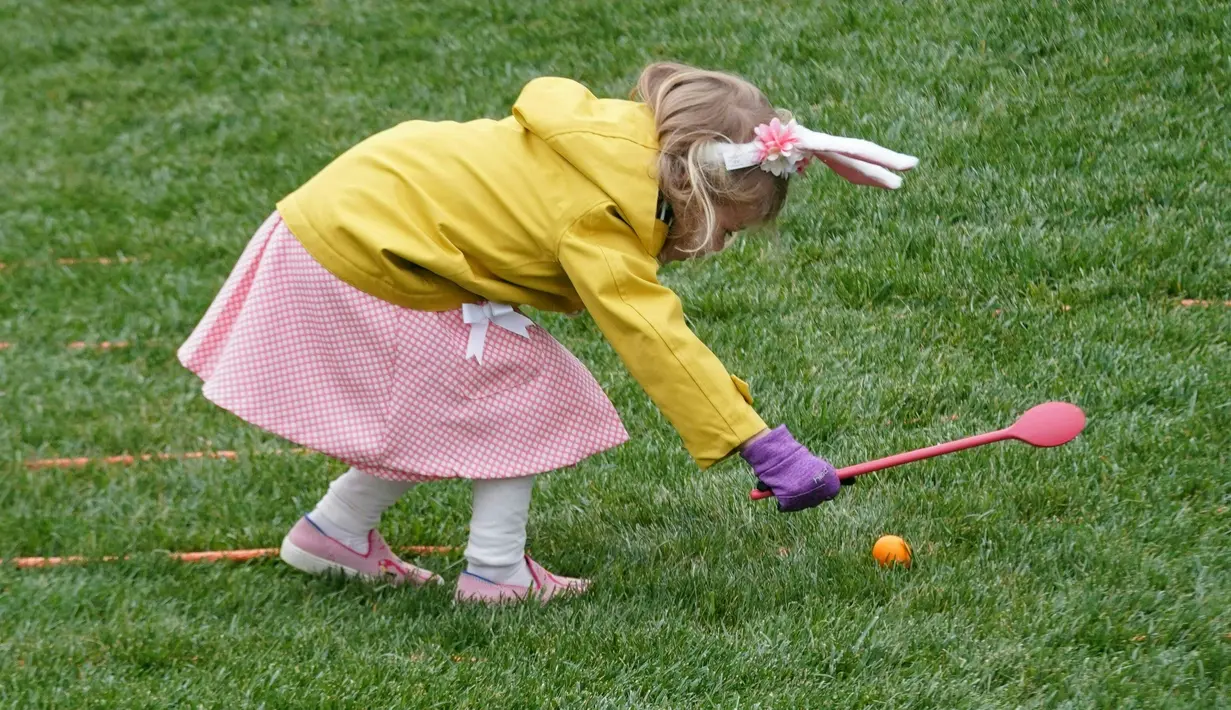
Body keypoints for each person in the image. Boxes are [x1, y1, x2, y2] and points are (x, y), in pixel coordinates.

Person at [178, 62, 917, 604]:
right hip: (359, 248)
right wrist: (762, 444)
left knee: (455, 392)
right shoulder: (601, 213)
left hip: (354, 224)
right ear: (693, 182)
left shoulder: (616, 149)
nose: (717, 246)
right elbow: (657, 342)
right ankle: (495, 574)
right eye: (725, 227)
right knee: (528, 388)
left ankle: (334, 534)